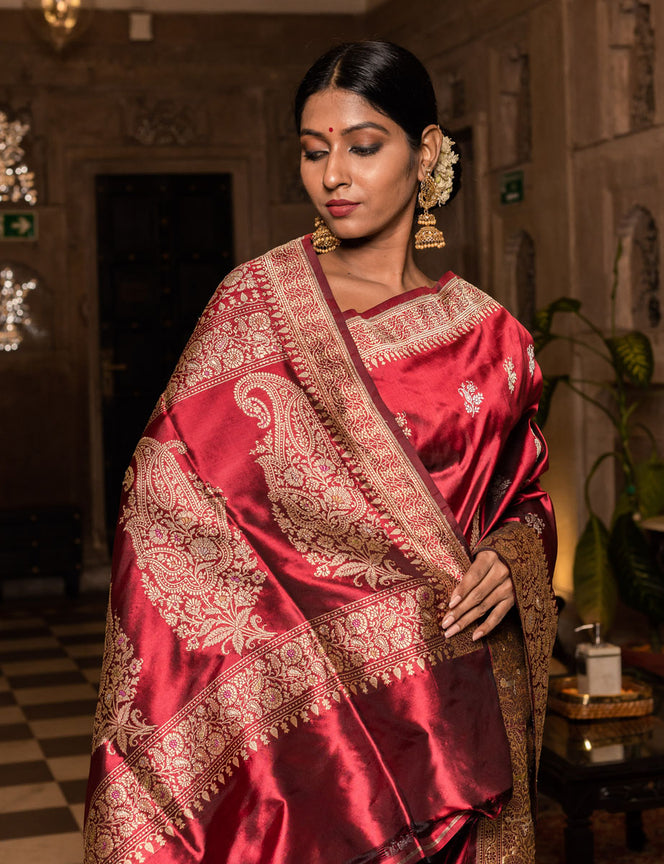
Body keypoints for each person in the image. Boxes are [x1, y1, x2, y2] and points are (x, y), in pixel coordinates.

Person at [84, 41, 557, 864]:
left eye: (363, 145)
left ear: (429, 151)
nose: (334, 173)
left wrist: (512, 561)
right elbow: (168, 501)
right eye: (313, 150)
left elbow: (524, 499)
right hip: (294, 739)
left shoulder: (492, 339)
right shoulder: (253, 303)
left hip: (447, 716)